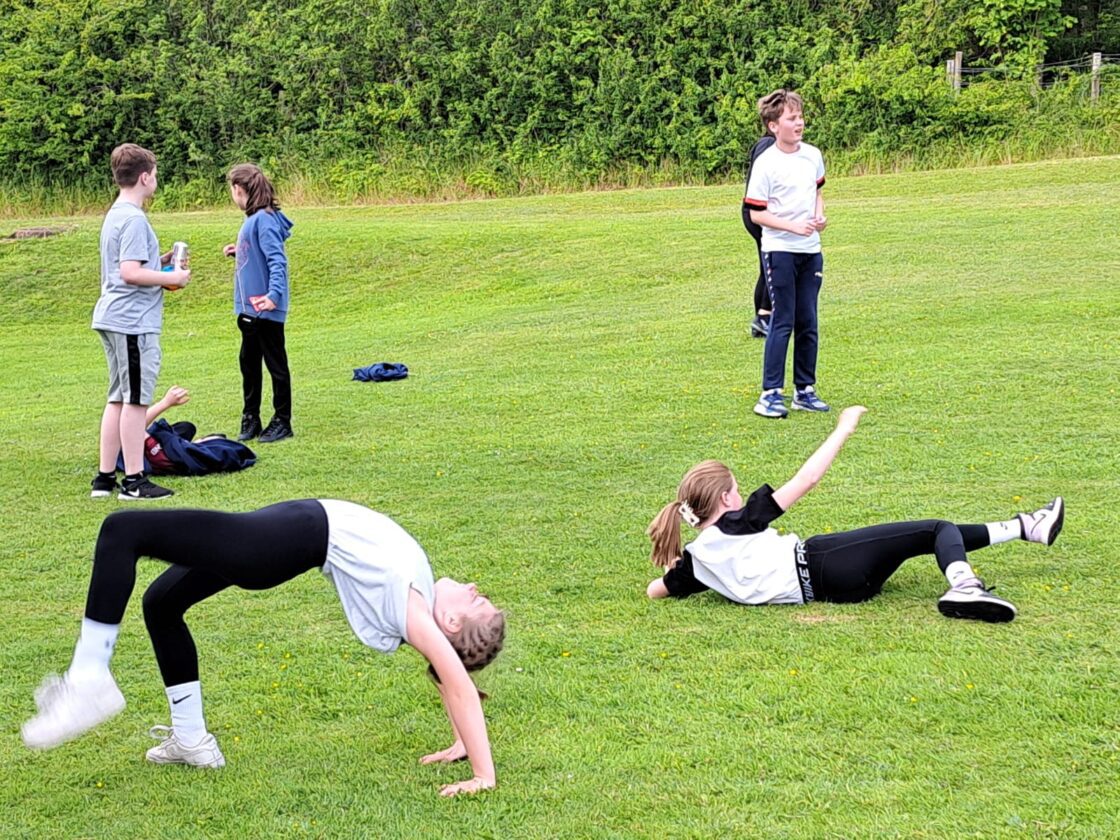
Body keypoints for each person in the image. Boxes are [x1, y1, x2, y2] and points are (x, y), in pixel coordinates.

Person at [22, 500, 506, 797]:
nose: (473, 586)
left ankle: (89, 679)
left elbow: (457, 681)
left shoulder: (415, 609)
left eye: (477, 600)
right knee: (162, 603)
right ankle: (191, 739)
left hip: (274, 543)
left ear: (451, 622)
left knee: (121, 530)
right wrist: (463, 741)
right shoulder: (420, 594)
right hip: (278, 536)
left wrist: (483, 774)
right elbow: (448, 675)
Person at [645, 406, 1064, 622]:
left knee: (929, 536)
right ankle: (966, 587)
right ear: (725, 500)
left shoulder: (697, 563)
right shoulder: (739, 522)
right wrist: (843, 429)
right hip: (824, 560)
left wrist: (676, 563)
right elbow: (807, 479)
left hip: (837, 589)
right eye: (736, 489)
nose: (740, 494)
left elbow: (655, 591)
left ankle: (1026, 527)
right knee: (936, 528)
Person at [90, 143, 191, 500]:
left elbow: (129, 264)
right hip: (132, 321)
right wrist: (172, 278)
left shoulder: (116, 213)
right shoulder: (134, 218)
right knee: (135, 401)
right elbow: (130, 273)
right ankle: (133, 481)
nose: (156, 180)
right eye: (156, 174)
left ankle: (105, 479)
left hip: (113, 317)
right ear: (145, 177)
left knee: (118, 398)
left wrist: (158, 261)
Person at [744, 90, 829, 419]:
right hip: (779, 251)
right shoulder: (766, 163)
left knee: (808, 320)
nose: (799, 123)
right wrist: (792, 227)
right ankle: (770, 395)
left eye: (800, 117)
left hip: (811, 252)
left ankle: (804, 391)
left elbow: (817, 192)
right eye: (792, 118)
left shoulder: (813, 155)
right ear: (773, 125)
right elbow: (756, 214)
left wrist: (819, 216)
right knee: (782, 320)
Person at [223, 163, 295, 444]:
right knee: (249, 363)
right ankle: (251, 417)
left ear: (238, 189)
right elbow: (259, 254)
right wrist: (239, 251)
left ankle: (282, 420)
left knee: (275, 364)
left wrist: (272, 296)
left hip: (265, 309)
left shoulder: (264, 219)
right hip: (249, 309)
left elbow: (277, 261)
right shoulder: (254, 219)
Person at [113, 385, 257, 476]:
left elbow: (131, 427)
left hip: (135, 451)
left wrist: (165, 403)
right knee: (186, 427)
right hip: (143, 452)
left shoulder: (168, 450)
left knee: (185, 428)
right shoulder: (176, 452)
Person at [741, 132, 776, 339]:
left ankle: (763, 319)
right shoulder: (768, 143)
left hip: (761, 212)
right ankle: (763, 317)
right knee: (773, 263)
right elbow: (761, 178)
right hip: (759, 212)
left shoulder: (769, 143)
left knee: (768, 265)